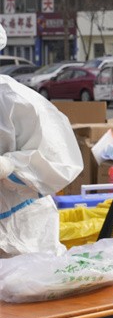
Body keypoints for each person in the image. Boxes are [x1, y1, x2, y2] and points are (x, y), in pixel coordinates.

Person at [0, 24, 82, 259]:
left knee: (23, 279)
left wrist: (8, 166)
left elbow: (59, 161)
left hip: (22, 231)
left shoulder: (15, 100)